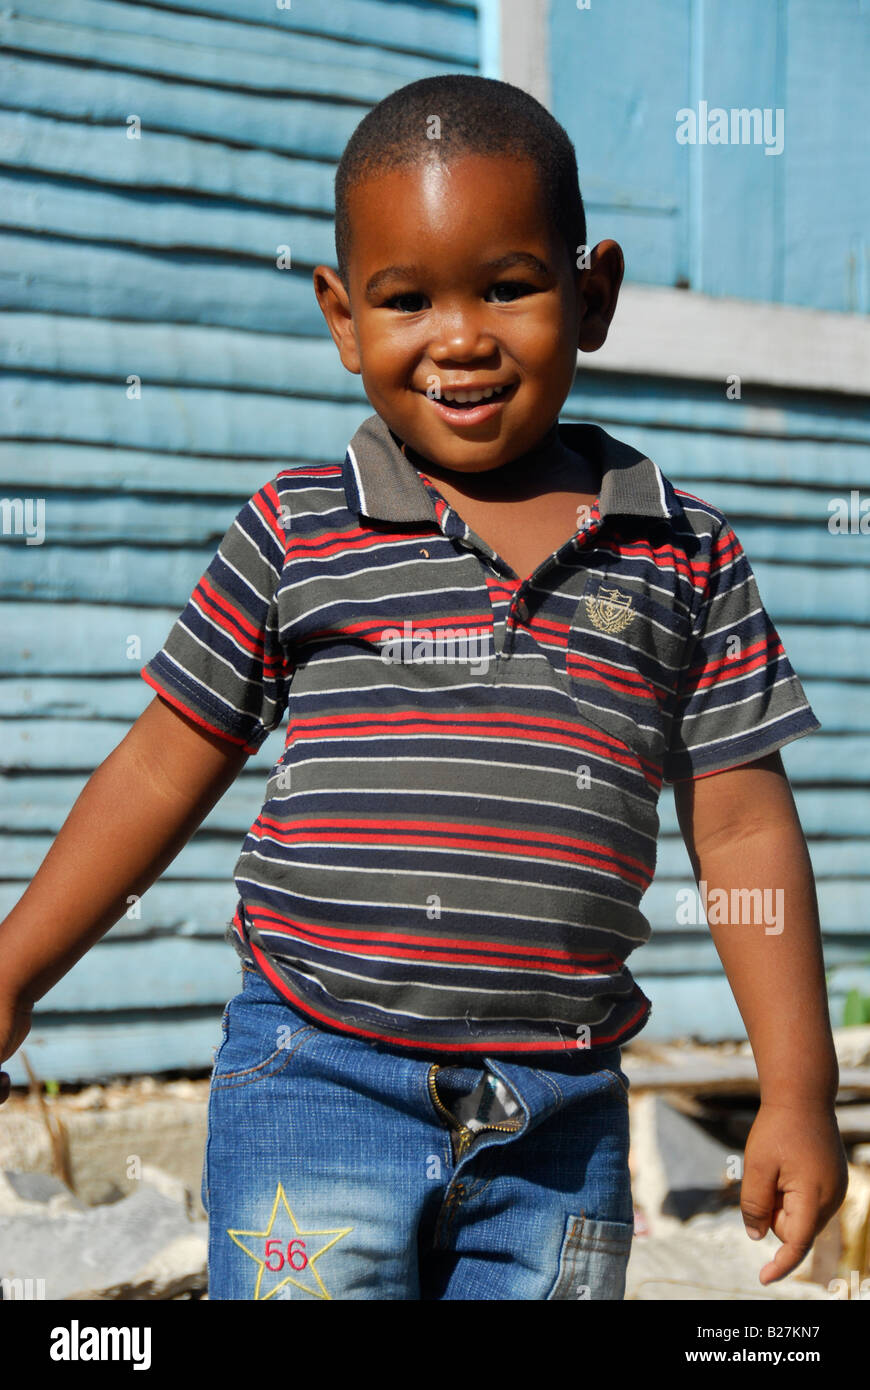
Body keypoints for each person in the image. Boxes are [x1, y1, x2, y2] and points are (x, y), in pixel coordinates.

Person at [0, 75, 848, 1301]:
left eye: (509, 285)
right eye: (407, 300)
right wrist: (15, 970)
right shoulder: (299, 534)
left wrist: (799, 1084)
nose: (460, 336)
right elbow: (158, 763)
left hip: (560, 1123)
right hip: (315, 1079)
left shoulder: (682, 552)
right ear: (343, 318)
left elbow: (744, 823)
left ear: (593, 293)